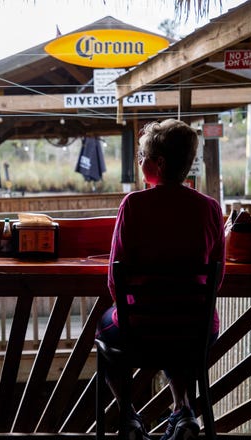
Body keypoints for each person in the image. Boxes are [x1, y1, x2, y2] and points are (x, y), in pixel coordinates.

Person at [96, 119, 225, 440]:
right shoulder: (209, 208)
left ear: (160, 163)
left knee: (102, 328)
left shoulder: (134, 205)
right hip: (196, 329)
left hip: (142, 328)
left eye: (143, 156)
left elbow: (115, 277)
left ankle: (129, 419)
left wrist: (134, 309)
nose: (140, 162)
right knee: (176, 330)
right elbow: (218, 274)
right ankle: (184, 414)